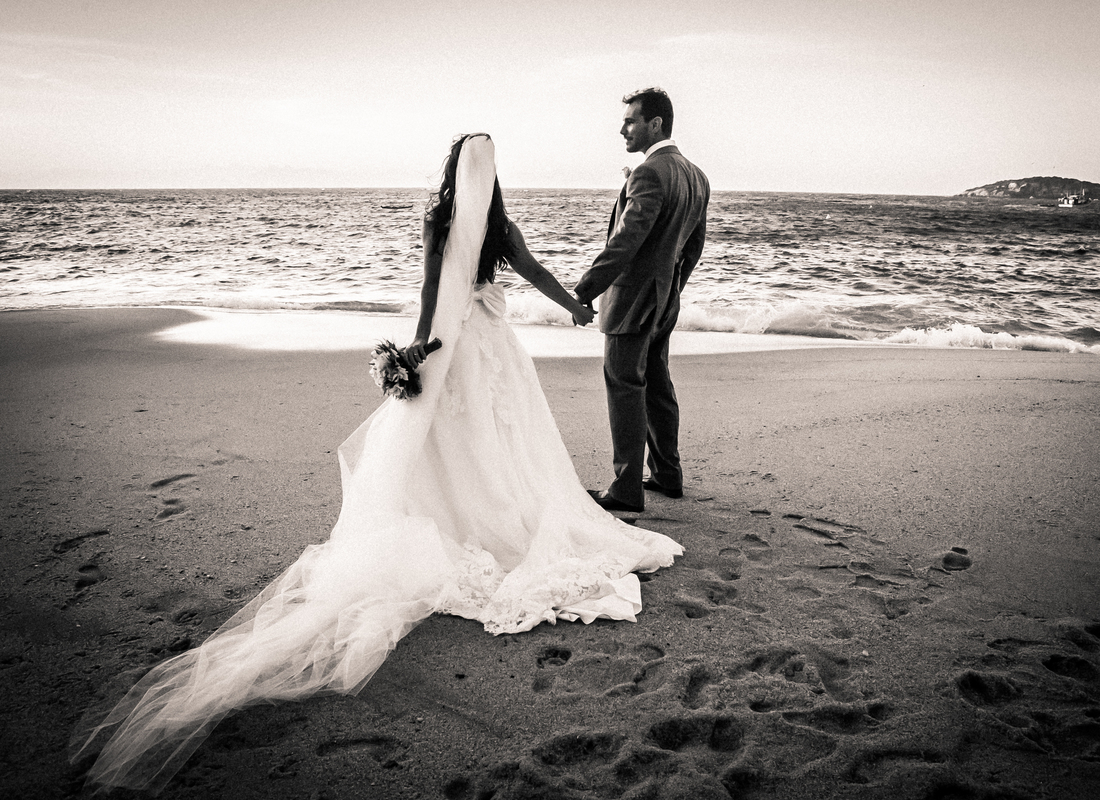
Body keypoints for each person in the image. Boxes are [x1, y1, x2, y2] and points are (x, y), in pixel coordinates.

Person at [70, 133, 682, 793]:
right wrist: (574, 305)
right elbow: (533, 272)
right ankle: (499, 515)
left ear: (452, 169)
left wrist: (419, 350)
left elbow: (430, 289)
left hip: (457, 348)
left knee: (448, 444)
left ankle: (457, 517)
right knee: (502, 441)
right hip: (494, 350)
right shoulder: (499, 224)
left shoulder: (441, 218)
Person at [575, 88, 710, 513]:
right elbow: (694, 248)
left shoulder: (650, 173)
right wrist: (671, 289)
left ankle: (626, 488)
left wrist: (582, 291)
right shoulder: (696, 174)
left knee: (625, 388)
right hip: (665, 299)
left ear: (655, 124)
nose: (622, 129)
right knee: (657, 385)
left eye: (630, 121)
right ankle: (667, 474)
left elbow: (625, 243)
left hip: (633, 302)